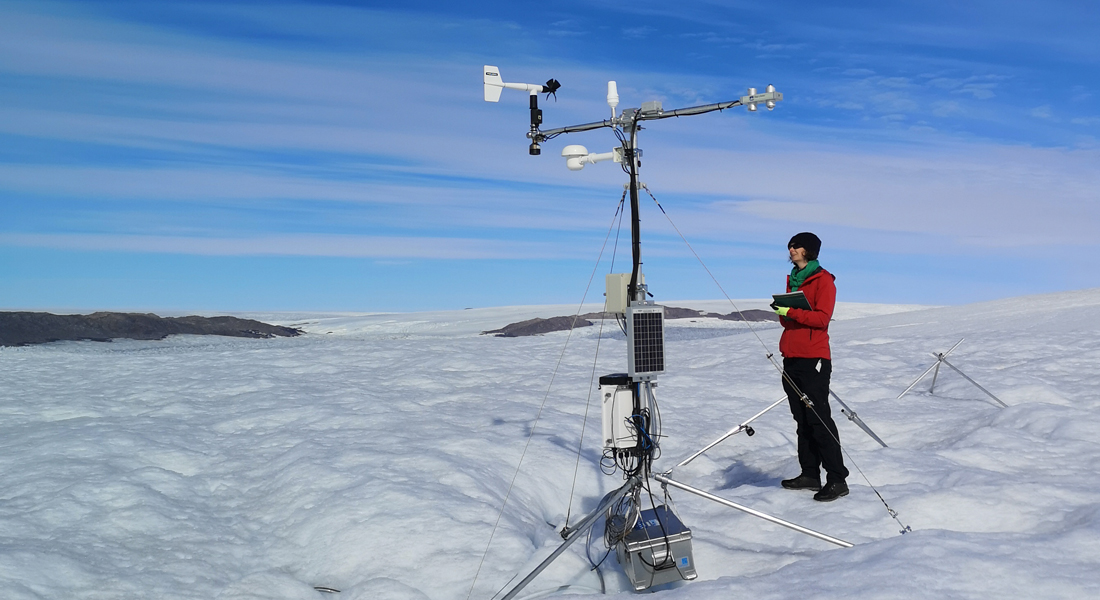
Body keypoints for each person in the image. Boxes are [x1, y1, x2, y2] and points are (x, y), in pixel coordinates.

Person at [773, 232, 849, 502]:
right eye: (790, 246)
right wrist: (783, 312)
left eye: (796, 246)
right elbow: (790, 322)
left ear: (809, 250)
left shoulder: (823, 280)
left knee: (819, 419)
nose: (791, 249)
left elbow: (822, 319)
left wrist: (791, 311)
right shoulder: (794, 279)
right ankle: (809, 474)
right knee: (802, 419)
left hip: (814, 359)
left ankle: (837, 479)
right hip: (791, 356)